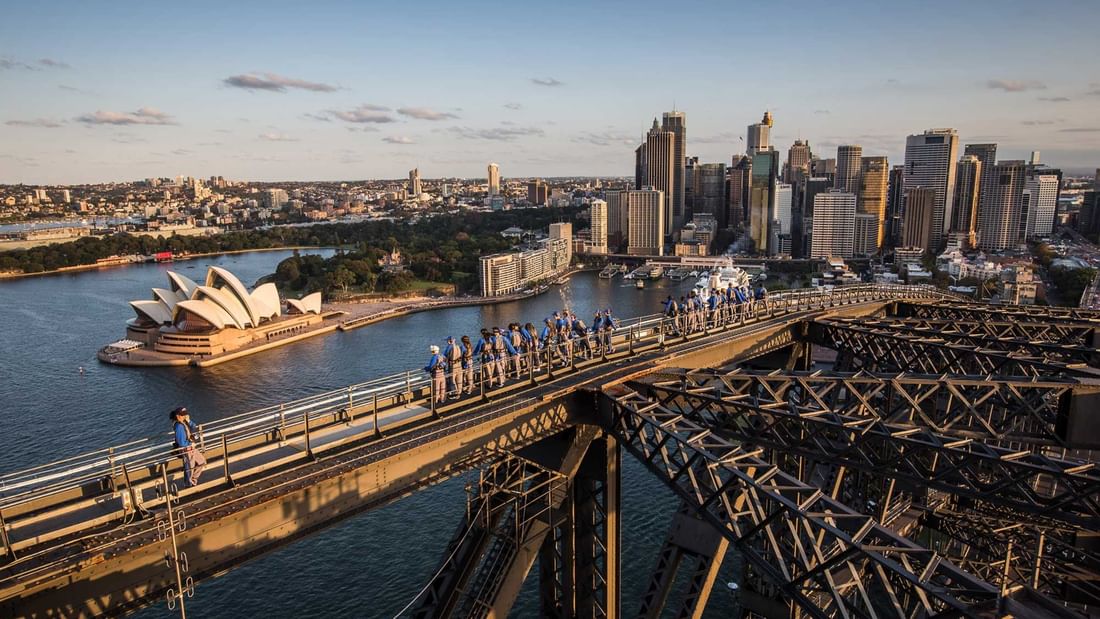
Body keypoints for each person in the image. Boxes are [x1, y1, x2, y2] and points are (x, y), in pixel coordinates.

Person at [171, 407, 207, 487]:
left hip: (191, 447)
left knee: (202, 461)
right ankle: (188, 485)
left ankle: (193, 480)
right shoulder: (178, 427)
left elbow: (194, 427)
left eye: (185, 414)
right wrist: (190, 443)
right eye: (182, 415)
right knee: (189, 467)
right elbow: (181, 443)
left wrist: (189, 420)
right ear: (177, 416)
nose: (184, 416)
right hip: (186, 449)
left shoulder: (184, 422)